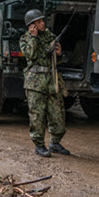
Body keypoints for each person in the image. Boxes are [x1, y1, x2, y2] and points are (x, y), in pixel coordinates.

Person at [19, 9, 70, 157]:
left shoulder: (50, 36)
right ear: (31, 25)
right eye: (39, 21)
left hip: (51, 80)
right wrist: (34, 38)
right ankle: (39, 145)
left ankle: (55, 143)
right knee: (37, 116)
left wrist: (59, 54)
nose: (42, 23)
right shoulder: (25, 39)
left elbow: (56, 59)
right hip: (35, 83)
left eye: (42, 20)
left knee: (58, 114)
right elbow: (30, 55)